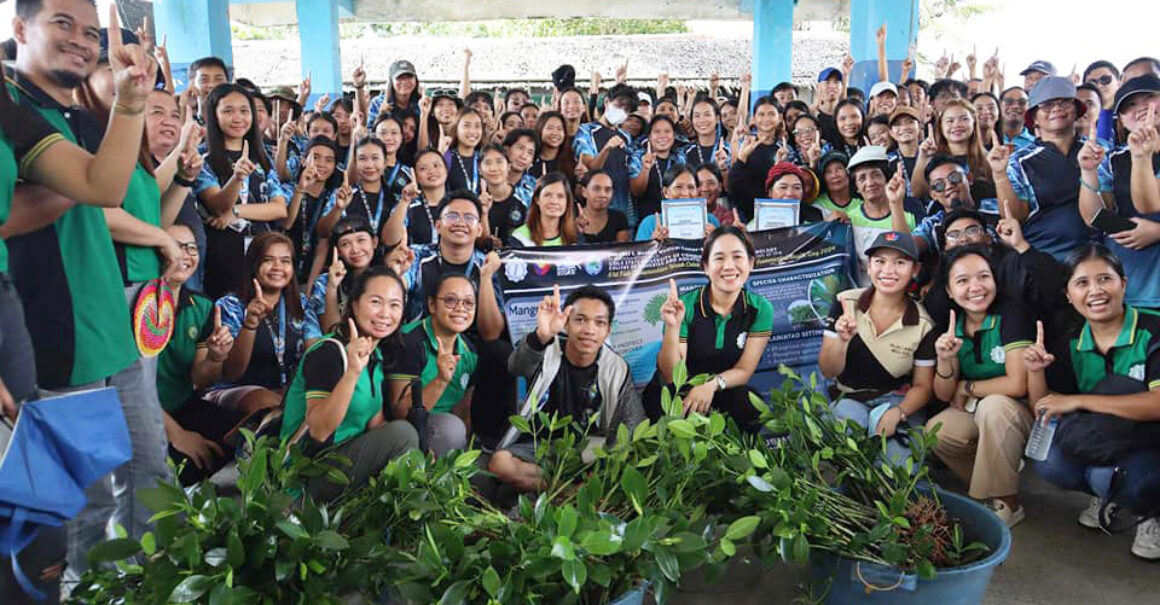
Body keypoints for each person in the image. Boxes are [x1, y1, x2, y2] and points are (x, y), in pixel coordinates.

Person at [1, 1, 163, 592]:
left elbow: (109, 187)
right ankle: (85, 590)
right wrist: (78, 186)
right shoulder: (11, 108)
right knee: (85, 503)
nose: (81, 39)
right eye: (62, 23)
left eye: (91, 31)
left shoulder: (80, 117)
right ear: (19, 29)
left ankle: (146, 582)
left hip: (111, 324)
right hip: (55, 335)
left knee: (150, 471)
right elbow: (13, 217)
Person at [1027, 244, 1160, 561]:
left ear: (1123, 284)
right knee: (1051, 462)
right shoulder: (1071, 341)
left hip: (1152, 442)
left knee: (1124, 479)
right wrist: (1035, 372)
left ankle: (1151, 512)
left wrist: (1079, 400)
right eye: (1082, 283)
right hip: (1109, 436)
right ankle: (1109, 495)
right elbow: (1045, 407)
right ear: (1069, 295)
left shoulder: (1153, 330)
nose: (1095, 291)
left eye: (1105, 279)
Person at [279, 266, 420, 500]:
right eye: (376, 302)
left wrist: (417, 457)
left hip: (344, 465)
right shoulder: (329, 352)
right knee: (403, 434)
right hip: (305, 477)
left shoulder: (376, 356)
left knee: (408, 438)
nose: (385, 313)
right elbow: (319, 430)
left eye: (395, 305)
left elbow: (376, 424)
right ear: (354, 304)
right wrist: (352, 372)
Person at [490, 285, 644, 492]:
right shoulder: (546, 350)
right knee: (500, 464)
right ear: (566, 324)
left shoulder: (616, 367)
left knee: (617, 469)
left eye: (599, 323)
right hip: (541, 445)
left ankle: (550, 488)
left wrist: (609, 462)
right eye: (580, 320)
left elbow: (634, 422)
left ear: (608, 330)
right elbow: (517, 367)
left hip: (589, 448)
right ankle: (567, 491)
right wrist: (541, 336)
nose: (589, 330)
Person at [925, 245, 1034, 527]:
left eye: (983, 276)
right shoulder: (951, 324)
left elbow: (1018, 383)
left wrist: (969, 387)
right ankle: (997, 480)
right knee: (937, 431)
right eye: (962, 281)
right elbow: (944, 394)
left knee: (994, 405)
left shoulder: (1012, 315)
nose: (976, 287)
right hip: (977, 411)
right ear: (949, 290)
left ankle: (1008, 502)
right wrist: (945, 360)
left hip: (1019, 413)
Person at [818, 231, 937, 462]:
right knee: (844, 452)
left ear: (915, 270)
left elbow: (923, 386)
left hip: (895, 401)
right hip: (849, 399)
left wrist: (899, 413)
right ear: (869, 267)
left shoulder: (923, 323)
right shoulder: (845, 303)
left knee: (899, 470)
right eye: (880, 261)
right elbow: (828, 371)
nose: (888, 271)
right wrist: (842, 340)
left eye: (900, 263)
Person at [154, 222, 257, 486]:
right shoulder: (136, 304)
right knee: (182, 466)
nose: (186, 255)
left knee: (248, 439)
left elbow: (201, 380)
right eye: (177, 246)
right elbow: (126, 385)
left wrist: (215, 356)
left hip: (184, 406)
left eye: (192, 248)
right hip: (141, 414)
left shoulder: (201, 307)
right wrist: (177, 434)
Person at [646, 227, 773, 430]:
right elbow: (671, 375)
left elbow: (744, 370)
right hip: (679, 390)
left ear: (751, 263)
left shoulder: (760, 308)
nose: (729, 266)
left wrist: (710, 386)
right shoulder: (685, 306)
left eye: (737, 257)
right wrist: (672, 327)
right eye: (719, 258)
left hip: (721, 388)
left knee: (750, 405)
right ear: (705, 266)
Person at [194, 83, 289, 299]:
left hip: (262, 255)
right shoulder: (202, 159)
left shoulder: (263, 160)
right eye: (228, 111)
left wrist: (236, 211)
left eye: (244, 111)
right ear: (213, 115)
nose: (238, 117)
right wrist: (237, 178)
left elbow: (279, 208)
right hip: (222, 256)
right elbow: (218, 206)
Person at [994, 76, 1096, 261]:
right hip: (1043, 257)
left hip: (1095, 256)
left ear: (1076, 110)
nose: (1056, 108)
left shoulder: (1098, 150)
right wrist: (999, 174)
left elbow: (1111, 208)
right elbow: (1016, 216)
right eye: (1046, 105)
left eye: (1064, 102)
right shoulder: (1020, 161)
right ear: (1034, 118)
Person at [1081, 74, 1160, 309]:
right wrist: (1088, 172)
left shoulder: (1135, 154)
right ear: (1121, 120)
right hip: (1128, 282)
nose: (1141, 108)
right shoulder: (1113, 159)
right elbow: (1093, 217)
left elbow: (1148, 205)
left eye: (1149, 98)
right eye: (1129, 106)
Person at [211, 232, 305, 413]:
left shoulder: (301, 304)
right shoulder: (230, 305)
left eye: (285, 261)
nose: (277, 267)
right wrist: (250, 323)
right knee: (268, 403)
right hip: (235, 388)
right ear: (254, 265)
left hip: (286, 391)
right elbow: (232, 373)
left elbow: (312, 353)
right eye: (268, 260)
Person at [400, 274, 479, 456]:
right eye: (450, 300)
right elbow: (399, 412)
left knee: (456, 429)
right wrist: (440, 381)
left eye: (468, 303)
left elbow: (462, 413)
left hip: (444, 428)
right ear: (432, 305)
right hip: (406, 427)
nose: (461, 308)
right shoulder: (408, 341)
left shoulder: (470, 352)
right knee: (452, 429)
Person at [845, 146, 919, 282]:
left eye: (876, 175)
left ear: (886, 178)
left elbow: (904, 254)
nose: (870, 183)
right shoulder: (849, 219)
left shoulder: (909, 214)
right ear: (856, 188)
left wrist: (896, 203)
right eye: (862, 178)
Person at [305, 217, 379, 345]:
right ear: (337, 251)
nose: (355, 249)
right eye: (345, 244)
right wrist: (332, 287)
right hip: (342, 350)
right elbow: (331, 332)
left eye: (361, 240)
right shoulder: (323, 282)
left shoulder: (383, 278)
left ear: (374, 242)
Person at [574, 83, 636, 224]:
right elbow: (590, 169)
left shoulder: (626, 136)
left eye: (627, 109)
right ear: (607, 101)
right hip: (595, 211)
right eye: (619, 105)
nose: (622, 111)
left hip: (625, 209)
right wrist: (607, 148)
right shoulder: (585, 131)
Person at [285, 136, 342, 282]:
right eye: (316, 157)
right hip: (284, 263)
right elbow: (286, 224)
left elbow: (324, 241)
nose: (322, 164)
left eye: (329, 160)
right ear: (303, 160)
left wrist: (310, 286)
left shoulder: (333, 197)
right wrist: (301, 189)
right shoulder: (288, 189)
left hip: (314, 268)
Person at [913, 99, 993, 201]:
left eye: (964, 119)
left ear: (974, 123)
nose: (957, 125)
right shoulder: (932, 159)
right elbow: (918, 195)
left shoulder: (989, 158)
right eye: (950, 121)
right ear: (941, 126)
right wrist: (923, 158)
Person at [728, 97, 787, 221]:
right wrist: (742, 156)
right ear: (753, 118)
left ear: (780, 117)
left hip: (775, 212)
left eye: (771, 114)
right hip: (745, 212)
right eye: (761, 114)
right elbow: (733, 183)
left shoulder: (785, 149)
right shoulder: (744, 144)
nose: (766, 119)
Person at [634, 164, 720, 241]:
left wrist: (714, 240)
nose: (685, 193)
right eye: (678, 187)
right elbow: (638, 258)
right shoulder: (650, 224)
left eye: (691, 187)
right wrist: (652, 244)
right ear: (665, 192)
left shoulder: (711, 220)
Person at [630, 115, 688, 221]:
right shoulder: (638, 157)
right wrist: (645, 169)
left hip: (678, 218)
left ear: (674, 135)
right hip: (647, 220)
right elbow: (636, 192)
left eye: (667, 131)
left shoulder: (680, 158)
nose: (662, 136)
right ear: (649, 136)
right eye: (657, 132)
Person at [511, 171, 581, 247]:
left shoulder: (575, 237)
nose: (554, 201)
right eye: (547, 195)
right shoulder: (520, 237)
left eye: (560, 196)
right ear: (537, 199)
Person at [477, 143, 526, 244]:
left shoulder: (525, 198)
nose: (494, 168)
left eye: (499, 162)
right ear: (479, 169)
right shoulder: (474, 200)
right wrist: (484, 213)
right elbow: (479, 242)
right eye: (487, 163)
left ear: (508, 166)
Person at [403, 148, 450, 246]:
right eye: (423, 168)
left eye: (436, 165)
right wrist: (404, 202)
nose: (431, 171)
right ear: (415, 175)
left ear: (446, 169)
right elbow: (390, 240)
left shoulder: (459, 203)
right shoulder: (409, 206)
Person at [577, 169, 630, 243]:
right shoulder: (572, 218)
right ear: (584, 192)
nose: (603, 194)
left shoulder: (619, 219)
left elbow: (622, 251)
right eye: (596, 189)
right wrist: (575, 231)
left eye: (608, 190)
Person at [365, 59, 421, 127]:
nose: (404, 82)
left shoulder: (421, 103)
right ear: (391, 82)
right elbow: (369, 131)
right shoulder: (378, 103)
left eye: (409, 77)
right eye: (399, 78)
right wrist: (380, 116)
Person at [444, 107, 484, 193]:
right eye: (467, 125)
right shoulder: (447, 157)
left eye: (477, 126)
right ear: (456, 128)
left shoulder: (484, 157)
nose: (473, 131)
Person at [812, 151, 859, 221]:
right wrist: (826, 223)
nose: (834, 175)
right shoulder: (817, 207)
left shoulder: (863, 202)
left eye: (839, 169)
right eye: (828, 172)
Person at [532, 111, 575, 179]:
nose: (555, 133)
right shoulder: (531, 160)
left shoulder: (572, 161)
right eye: (550, 128)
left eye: (559, 129)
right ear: (540, 129)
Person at [502, 127, 538, 206]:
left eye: (530, 152)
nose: (524, 156)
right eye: (520, 148)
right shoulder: (491, 179)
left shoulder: (535, 187)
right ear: (506, 149)